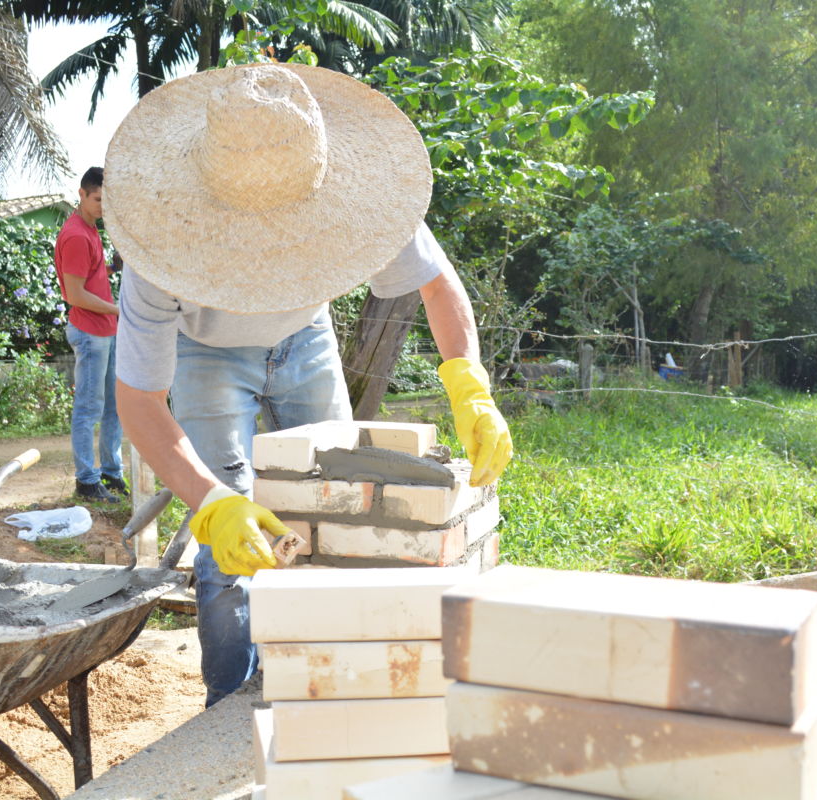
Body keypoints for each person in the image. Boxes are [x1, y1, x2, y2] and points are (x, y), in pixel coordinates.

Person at [104, 63, 513, 705]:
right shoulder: (156, 244)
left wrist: (470, 384)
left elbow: (437, 283)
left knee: (340, 492)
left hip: (307, 338)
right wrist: (211, 503)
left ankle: (330, 679)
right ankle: (230, 707)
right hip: (205, 354)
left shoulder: (362, 192)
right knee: (229, 533)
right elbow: (139, 403)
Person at [54, 166, 127, 503]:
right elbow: (75, 295)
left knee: (115, 408)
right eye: (98, 199)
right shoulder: (76, 235)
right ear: (81, 194)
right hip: (90, 332)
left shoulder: (91, 228)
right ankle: (86, 481)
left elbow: (90, 275)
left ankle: (112, 475)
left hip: (106, 331)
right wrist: (119, 311)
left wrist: (112, 268)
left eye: (106, 200)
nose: (102, 205)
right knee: (88, 409)